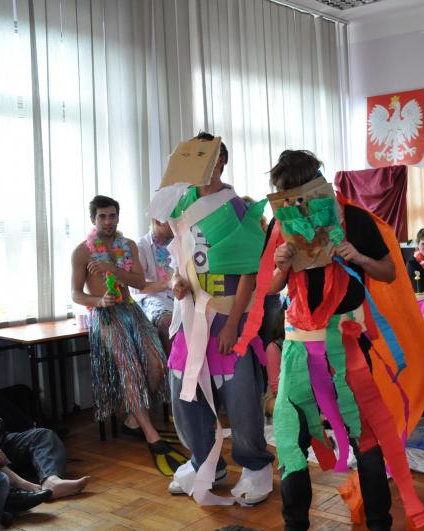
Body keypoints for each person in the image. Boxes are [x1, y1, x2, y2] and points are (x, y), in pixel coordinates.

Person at [239, 149, 424, 530]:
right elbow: (271, 288)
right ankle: (295, 524)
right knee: (291, 439)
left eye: (303, 195)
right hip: (299, 343)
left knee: (366, 437)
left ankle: (379, 523)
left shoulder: (355, 219)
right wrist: (281, 265)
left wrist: (357, 257)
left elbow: (389, 272)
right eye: (287, 197)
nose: (297, 205)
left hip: (346, 343)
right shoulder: (281, 224)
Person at [159, 132, 274, 504]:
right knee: (184, 394)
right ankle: (204, 462)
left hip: (226, 318)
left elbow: (249, 270)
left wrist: (233, 324)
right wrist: (176, 281)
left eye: (206, 156)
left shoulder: (234, 207)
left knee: (240, 397)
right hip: (189, 318)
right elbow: (177, 260)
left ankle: (255, 466)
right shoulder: (182, 204)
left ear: (220, 161)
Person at [71, 195, 184, 475]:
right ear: (93, 219)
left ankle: (133, 421)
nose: (108, 221)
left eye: (112, 216)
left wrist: (112, 269)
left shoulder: (128, 245)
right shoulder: (82, 252)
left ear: (118, 217)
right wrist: (98, 302)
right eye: (102, 216)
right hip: (105, 315)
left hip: (131, 310)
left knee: (158, 364)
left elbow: (138, 282)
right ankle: (152, 437)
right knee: (129, 370)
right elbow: (75, 294)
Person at [132, 218, 175, 355]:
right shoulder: (140, 246)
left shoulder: (179, 242)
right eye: (172, 219)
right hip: (152, 298)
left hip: (179, 296)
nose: (176, 223)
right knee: (168, 322)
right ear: (158, 221)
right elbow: (136, 287)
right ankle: (172, 367)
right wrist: (167, 284)